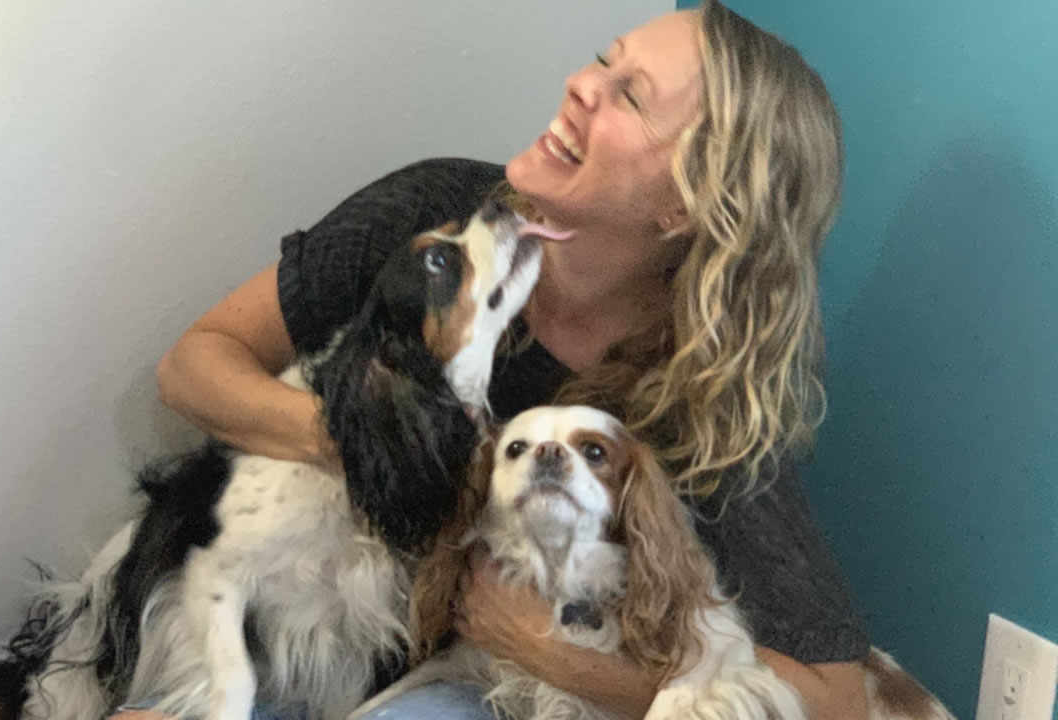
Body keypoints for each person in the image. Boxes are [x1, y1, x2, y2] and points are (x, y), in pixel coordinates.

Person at [136, 1, 871, 718]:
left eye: (631, 97)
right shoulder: (436, 219)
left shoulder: (702, 390)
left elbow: (835, 698)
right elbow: (194, 368)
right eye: (603, 61)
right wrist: (367, 445)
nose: (582, 85)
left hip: (460, 677)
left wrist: (541, 650)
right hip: (281, 619)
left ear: (687, 203)